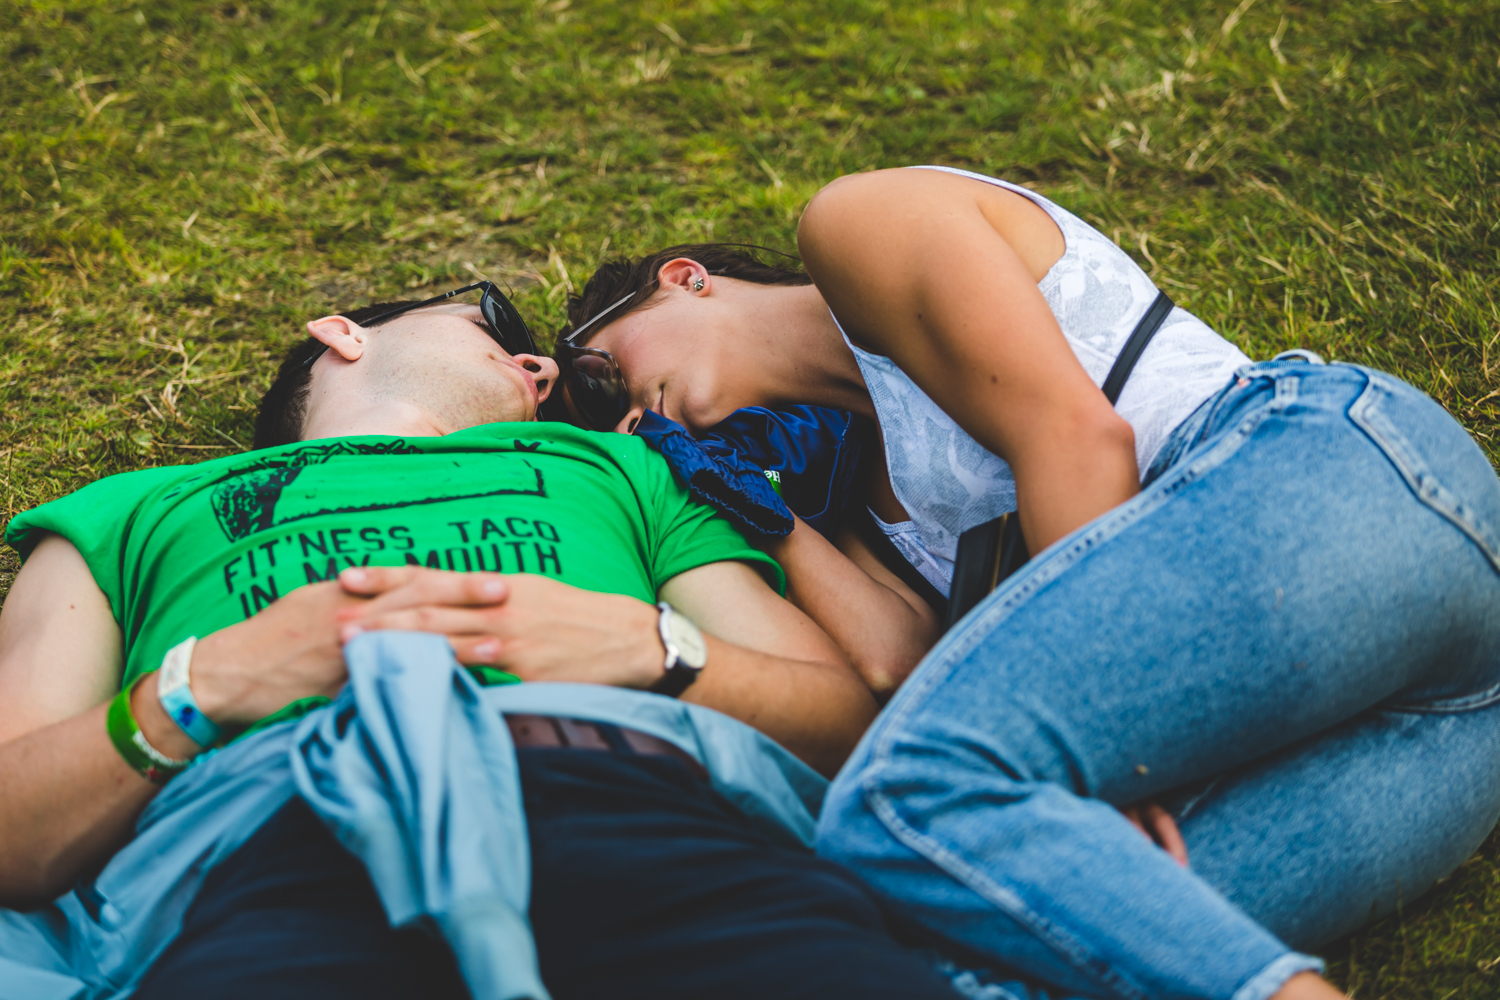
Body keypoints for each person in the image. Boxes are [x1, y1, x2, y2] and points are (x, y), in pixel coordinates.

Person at [549, 166, 1500, 1000]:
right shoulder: (857, 495)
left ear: (683, 279)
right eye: (607, 425)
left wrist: (1114, 738)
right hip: (1441, 707)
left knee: (892, 806)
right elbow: (898, 668)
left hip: (1328, 482)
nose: (625, 418)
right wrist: (759, 509)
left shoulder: (855, 224)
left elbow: (1076, 438)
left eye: (598, 381)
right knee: (981, 947)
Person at [0, 290, 964, 1000]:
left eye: (545, 368)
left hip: (641, 813)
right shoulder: (129, 510)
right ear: (345, 334)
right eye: (494, 327)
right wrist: (209, 681)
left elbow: (851, 729)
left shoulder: (620, 466)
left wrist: (653, 648)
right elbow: (14, 836)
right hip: (283, 847)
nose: (540, 368)